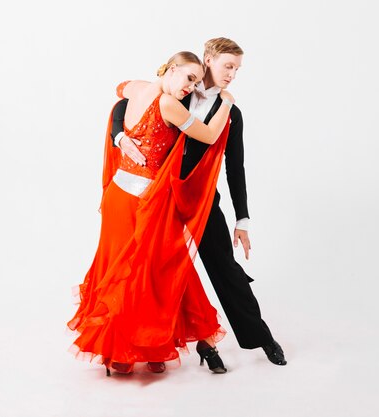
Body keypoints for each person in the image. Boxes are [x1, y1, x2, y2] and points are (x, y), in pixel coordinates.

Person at [111, 38, 287, 367]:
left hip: (199, 198)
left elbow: (236, 167)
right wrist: (120, 136)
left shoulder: (230, 112)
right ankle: (200, 345)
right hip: (157, 195)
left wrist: (242, 219)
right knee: (156, 273)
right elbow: (125, 103)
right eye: (227, 66)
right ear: (208, 60)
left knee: (226, 268)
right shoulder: (180, 88)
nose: (232, 74)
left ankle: (262, 339)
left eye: (237, 69)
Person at [67, 51, 236, 376]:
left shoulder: (139, 87)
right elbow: (210, 135)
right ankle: (134, 348)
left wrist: (119, 132)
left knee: (131, 271)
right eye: (188, 78)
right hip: (145, 202)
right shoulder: (167, 103)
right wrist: (226, 101)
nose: (190, 88)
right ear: (172, 69)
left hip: (119, 195)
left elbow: (120, 89)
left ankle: (142, 348)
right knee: (152, 274)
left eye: (196, 83)